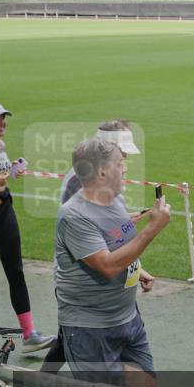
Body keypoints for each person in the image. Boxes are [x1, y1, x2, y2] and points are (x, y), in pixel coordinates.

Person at [55, 138, 170, 385]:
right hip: (90, 328)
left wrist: (137, 269)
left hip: (127, 318)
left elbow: (113, 237)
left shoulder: (114, 200)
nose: (125, 169)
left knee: (146, 386)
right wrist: (153, 228)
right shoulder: (74, 215)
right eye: (120, 163)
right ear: (102, 171)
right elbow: (106, 265)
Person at [43, 119, 143, 373]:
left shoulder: (97, 175)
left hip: (97, 272)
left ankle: (37, 384)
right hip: (86, 278)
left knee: (70, 339)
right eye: (123, 156)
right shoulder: (83, 183)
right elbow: (84, 230)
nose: (126, 164)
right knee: (77, 338)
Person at [0, 101, 55, 353]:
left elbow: (2, 175)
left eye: (3, 118)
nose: (2, 123)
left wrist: (14, 169)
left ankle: (29, 334)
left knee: (16, 271)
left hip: (3, 210)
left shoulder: (1, 146)